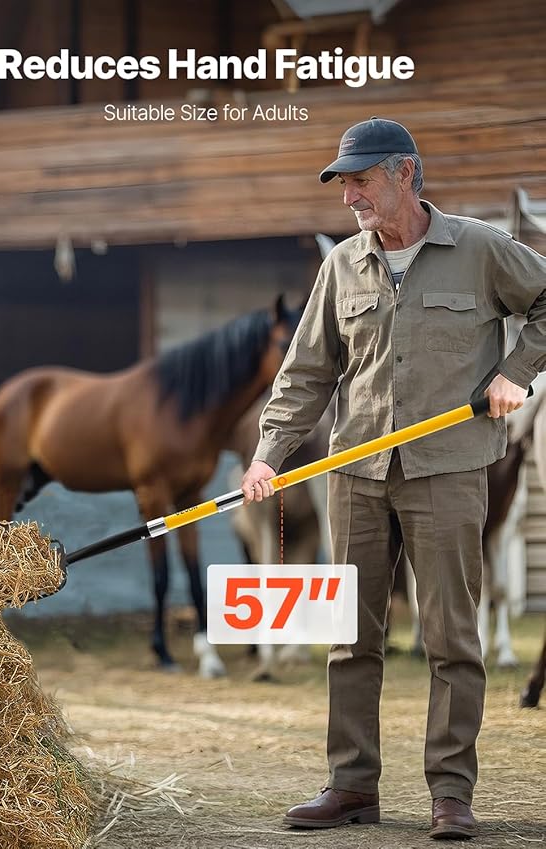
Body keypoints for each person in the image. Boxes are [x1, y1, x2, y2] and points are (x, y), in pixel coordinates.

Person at [241, 117, 546, 840]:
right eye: (342, 183)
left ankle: (450, 793)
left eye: (360, 180)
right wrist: (267, 454)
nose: (348, 196)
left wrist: (515, 371)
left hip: (448, 468)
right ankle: (351, 786)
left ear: (404, 172)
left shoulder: (480, 249)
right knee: (349, 636)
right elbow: (306, 372)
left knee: (450, 637)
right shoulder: (341, 266)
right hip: (356, 470)